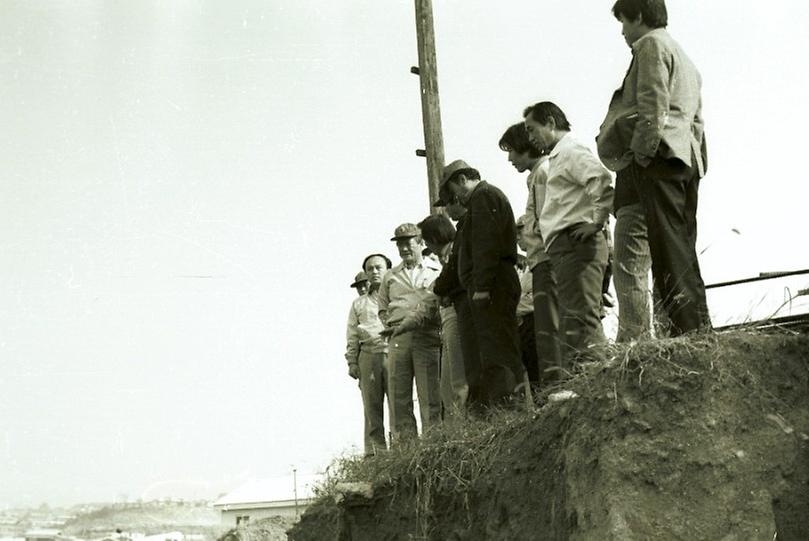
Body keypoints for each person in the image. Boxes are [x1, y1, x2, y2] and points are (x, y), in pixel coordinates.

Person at [597, 0, 710, 336]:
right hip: (686, 158)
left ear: (640, 16)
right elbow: (696, 120)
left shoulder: (650, 45)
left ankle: (685, 331)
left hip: (660, 158)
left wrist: (642, 156)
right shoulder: (683, 56)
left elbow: (653, 104)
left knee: (667, 249)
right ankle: (697, 327)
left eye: (624, 22)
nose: (622, 31)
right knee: (682, 245)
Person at [523, 102, 614, 364]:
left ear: (550, 123)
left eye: (532, 129)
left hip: (577, 241)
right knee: (574, 317)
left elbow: (600, 179)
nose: (530, 137)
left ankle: (595, 377)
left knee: (581, 315)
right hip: (565, 245)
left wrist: (596, 221)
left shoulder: (572, 151)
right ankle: (590, 380)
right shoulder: (558, 157)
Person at [438, 159, 523, 407]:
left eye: (451, 192)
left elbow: (487, 245)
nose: (453, 200)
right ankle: (504, 405)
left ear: (462, 180)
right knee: (494, 349)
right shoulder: (483, 198)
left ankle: (508, 406)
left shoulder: (484, 197)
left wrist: (483, 287)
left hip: (494, 286)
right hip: (492, 285)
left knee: (499, 349)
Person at [499, 122, 562, 385]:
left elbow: (549, 219)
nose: (510, 158)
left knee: (551, 330)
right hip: (541, 260)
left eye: (513, 151)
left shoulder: (544, 172)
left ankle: (559, 385)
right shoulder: (537, 174)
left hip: (548, 258)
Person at [377, 223, 442, 441]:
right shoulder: (390, 276)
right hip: (398, 337)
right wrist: (390, 323)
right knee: (399, 393)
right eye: (400, 245)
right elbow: (382, 307)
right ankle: (406, 448)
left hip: (427, 335)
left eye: (408, 243)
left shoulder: (435, 269)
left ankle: (434, 443)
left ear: (420, 242)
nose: (404, 249)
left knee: (430, 392)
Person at [415, 214, 469, 419]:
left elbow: (445, 286)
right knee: (447, 384)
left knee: (458, 379)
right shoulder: (446, 257)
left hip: (456, 317)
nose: (426, 244)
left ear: (436, 238)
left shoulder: (456, 252)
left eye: (427, 239)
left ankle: (463, 427)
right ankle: (456, 427)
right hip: (448, 320)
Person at [344, 253, 392, 456]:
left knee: (399, 403)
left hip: (394, 352)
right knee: (372, 406)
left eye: (378, 267)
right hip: (368, 354)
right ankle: (375, 453)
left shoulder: (395, 295)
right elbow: (352, 334)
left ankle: (403, 446)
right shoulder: (359, 304)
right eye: (369, 268)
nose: (374, 272)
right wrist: (352, 361)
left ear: (387, 269)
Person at [515, 217, 540, 386]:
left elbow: (531, 300)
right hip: (524, 326)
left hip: (535, 322)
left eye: (520, 231)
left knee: (538, 375)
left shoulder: (540, 263)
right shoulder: (526, 266)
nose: (517, 237)